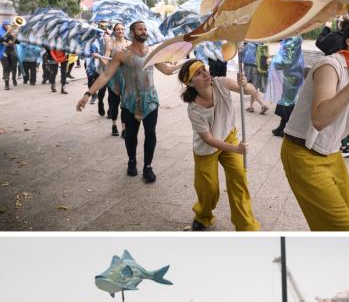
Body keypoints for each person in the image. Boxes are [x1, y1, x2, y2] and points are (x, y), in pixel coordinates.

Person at [279, 18, 349, 231]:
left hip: (332, 154)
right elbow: (320, 120)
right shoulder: (330, 66)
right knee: (343, 227)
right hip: (302, 154)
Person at [76, 20, 183, 183]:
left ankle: (148, 166)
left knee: (150, 134)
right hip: (129, 102)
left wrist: (184, 64)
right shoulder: (122, 54)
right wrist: (88, 93)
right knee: (131, 136)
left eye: (145, 29)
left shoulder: (152, 52)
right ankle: (132, 160)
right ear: (132, 33)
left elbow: (167, 70)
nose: (144, 31)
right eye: (140, 29)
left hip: (151, 101)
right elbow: (106, 75)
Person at [177, 58, 262, 231]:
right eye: (198, 73)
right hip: (206, 148)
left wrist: (245, 84)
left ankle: (246, 226)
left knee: (239, 178)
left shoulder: (221, 83)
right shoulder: (193, 109)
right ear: (191, 83)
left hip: (228, 136)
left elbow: (251, 92)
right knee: (209, 189)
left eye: (204, 69)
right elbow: (208, 139)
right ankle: (203, 215)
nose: (205, 74)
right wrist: (236, 149)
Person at [266, 36, 304, 136]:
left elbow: (286, 60)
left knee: (287, 103)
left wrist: (272, 61)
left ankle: (287, 129)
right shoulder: (293, 36)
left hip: (289, 76)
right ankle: (283, 127)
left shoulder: (292, 38)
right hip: (290, 74)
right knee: (286, 102)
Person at [102, 22, 129, 136]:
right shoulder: (110, 44)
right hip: (114, 78)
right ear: (114, 31)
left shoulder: (129, 44)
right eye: (118, 29)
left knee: (125, 104)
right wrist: (99, 57)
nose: (120, 31)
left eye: (122, 29)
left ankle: (124, 128)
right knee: (114, 103)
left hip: (127, 78)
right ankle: (114, 125)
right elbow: (105, 61)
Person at [1, 21, 18, 90]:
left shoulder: (12, 32)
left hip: (11, 51)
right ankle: (6, 84)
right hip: (3, 52)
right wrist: (3, 42)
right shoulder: (1, 32)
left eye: (8, 24)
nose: (7, 26)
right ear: (3, 25)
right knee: (6, 68)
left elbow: (17, 42)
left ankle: (14, 78)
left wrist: (14, 35)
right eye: (6, 25)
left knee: (14, 66)